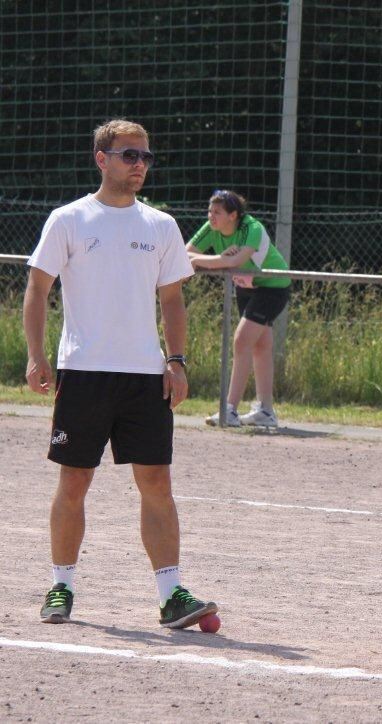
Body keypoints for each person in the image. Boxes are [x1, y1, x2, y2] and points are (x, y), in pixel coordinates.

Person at [23, 119, 218, 629]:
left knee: (157, 482)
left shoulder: (160, 225)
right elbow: (38, 289)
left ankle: (171, 595)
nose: (139, 165)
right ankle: (61, 586)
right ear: (101, 159)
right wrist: (36, 355)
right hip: (84, 372)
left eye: (145, 157)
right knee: (74, 481)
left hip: (144, 377)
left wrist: (176, 361)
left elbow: (172, 299)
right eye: (129, 155)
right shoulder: (69, 219)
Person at [186, 189, 290, 428]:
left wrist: (202, 260)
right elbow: (186, 252)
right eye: (210, 211)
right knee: (261, 346)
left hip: (272, 287)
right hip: (246, 287)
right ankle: (265, 411)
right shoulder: (211, 228)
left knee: (242, 341)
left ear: (233, 215)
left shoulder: (251, 228)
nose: (211, 216)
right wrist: (217, 258)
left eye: (217, 212)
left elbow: (235, 261)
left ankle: (229, 409)